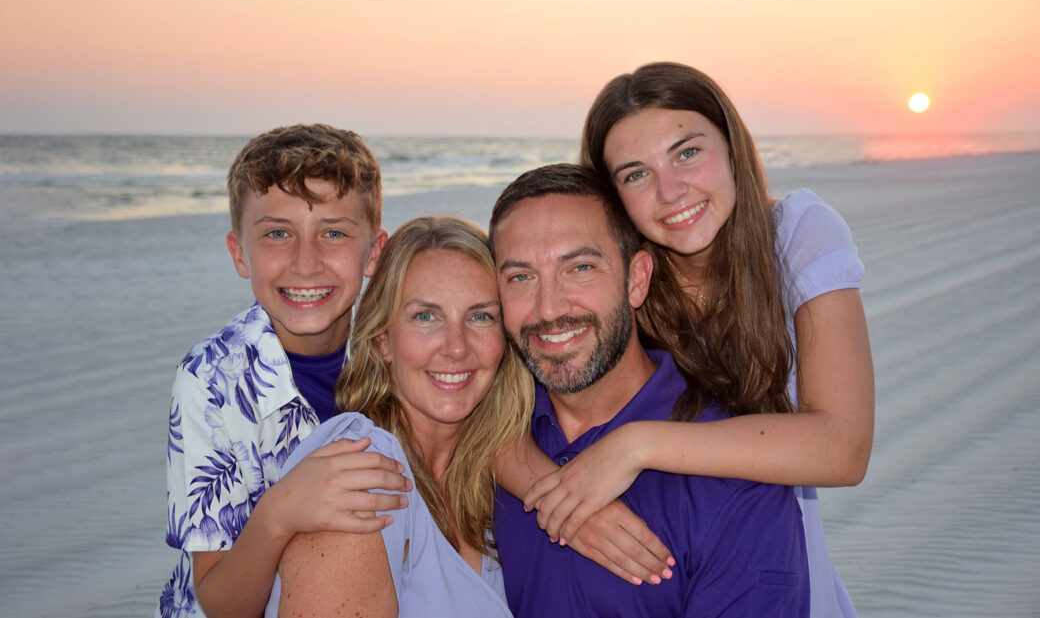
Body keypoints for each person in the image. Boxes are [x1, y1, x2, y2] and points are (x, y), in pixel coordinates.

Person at [523, 63, 874, 617]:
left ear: (732, 146)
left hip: (777, 558)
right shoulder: (619, 282)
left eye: (687, 152)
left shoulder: (798, 234)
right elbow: (485, 405)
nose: (670, 191)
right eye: (635, 174)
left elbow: (843, 449)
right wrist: (562, 497)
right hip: (668, 560)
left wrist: (637, 445)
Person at [489, 163, 809, 617]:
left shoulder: (739, 488)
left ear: (637, 279)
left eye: (580, 268)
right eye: (520, 277)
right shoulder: (486, 432)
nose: (549, 308)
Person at [159, 124, 410, 618]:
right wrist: (279, 511)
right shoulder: (210, 383)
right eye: (278, 233)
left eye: (333, 233)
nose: (306, 262)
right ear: (239, 254)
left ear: (374, 253)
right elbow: (220, 604)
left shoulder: (397, 355)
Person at [265, 216, 532, 617]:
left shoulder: (487, 479)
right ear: (382, 340)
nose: (456, 347)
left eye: (480, 316)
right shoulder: (361, 476)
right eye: (426, 316)